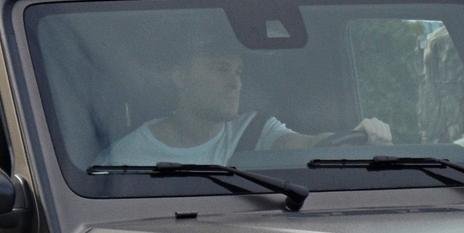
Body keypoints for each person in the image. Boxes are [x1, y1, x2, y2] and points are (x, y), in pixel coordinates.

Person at [101, 25, 390, 165]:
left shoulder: (255, 131)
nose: (234, 82)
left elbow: (308, 145)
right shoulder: (124, 158)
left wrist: (357, 137)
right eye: (220, 69)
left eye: (238, 72)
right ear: (180, 76)